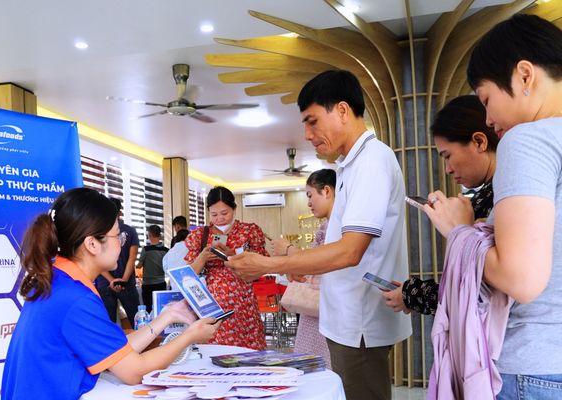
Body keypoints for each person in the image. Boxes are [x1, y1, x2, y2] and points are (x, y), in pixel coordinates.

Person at [226, 70, 411, 400]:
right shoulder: (350, 165)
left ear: (342, 110)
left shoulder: (371, 162)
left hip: (359, 321)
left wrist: (269, 264)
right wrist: (300, 264)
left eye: (312, 122)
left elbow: (350, 251)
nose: (308, 135)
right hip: (346, 316)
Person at [424, 14, 562, 399]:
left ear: (524, 75)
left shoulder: (529, 140)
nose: (487, 118)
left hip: (535, 368)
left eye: (486, 99)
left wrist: (459, 232)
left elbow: (521, 279)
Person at [1, 188, 219, 399]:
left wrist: (168, 316)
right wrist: (189, 336)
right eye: (117, 236)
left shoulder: (60, 279)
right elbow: (134, 371)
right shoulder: (76, 299)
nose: (121, 244)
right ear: (92, 244)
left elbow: (118, 351)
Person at [382, 95, 498, 315]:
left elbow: (479, 291)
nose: (447, 169)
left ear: (479, 142)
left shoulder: (503, 199)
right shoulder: (489, 196)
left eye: (448, 155)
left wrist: (460, 230)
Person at [184, 186, 268, 350]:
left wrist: (234, 254)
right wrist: (202, 258)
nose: (219, 219)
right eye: (214, 214)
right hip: (212, 304)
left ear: (234, 209)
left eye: (224, 213)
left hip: (244, 303)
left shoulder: (249, 231)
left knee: (248, 351)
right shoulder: (199, 235)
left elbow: (263, 263)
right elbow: (187, 275)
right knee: (215, 350)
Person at [271, 168, 335, 368]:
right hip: (316, 308)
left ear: (326, 191)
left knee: (324, 366)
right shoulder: (326, 226)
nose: (308, 203)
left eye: (310, 195)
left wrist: (289, 250)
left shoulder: (340, 227)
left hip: (328, 308)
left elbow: (325, 262)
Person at [95, 198, 141, 324]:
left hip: (105, 282)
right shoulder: (130, 231)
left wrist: (112, 281)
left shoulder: (98, 232)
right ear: (119, 212)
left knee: (107, 323)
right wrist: (123, 281)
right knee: (137, 320)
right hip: (126, 283)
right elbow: (132, 258)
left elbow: (97, 260)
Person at [136, 224, 168, 313]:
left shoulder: (146, 249)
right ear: (160, 235)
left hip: (148, 284)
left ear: (149, 235)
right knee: (161, 308)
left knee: (148, 308)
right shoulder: (166, 250)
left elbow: (139, 265)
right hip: (161, 283)